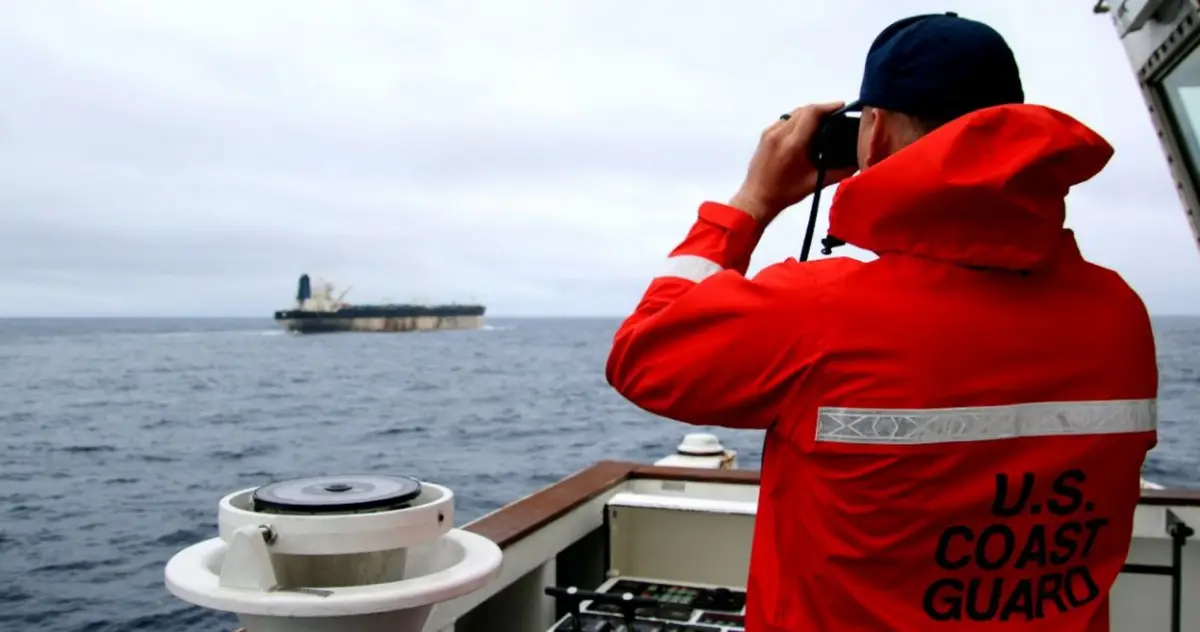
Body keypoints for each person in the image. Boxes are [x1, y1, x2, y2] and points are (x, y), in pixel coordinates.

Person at [605, 12, 1158, 632]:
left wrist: (752, 202)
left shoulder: (817, 312)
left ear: (873, 133)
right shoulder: (1120, 315)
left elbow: (643, 353)